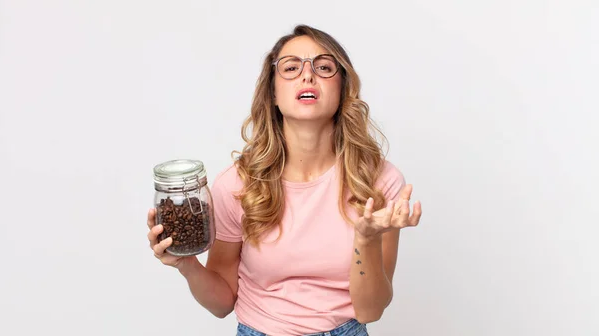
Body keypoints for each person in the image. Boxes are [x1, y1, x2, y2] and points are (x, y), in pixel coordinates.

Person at [147, 24, 422, 336]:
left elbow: (370, 310)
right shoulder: (236, 185)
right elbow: (222, 303)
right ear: (273, 94)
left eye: (324, 67)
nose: (308, 75)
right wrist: (185, 264)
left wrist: (366, 238)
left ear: (343, 88)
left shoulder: (378, 182)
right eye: (291, 67)